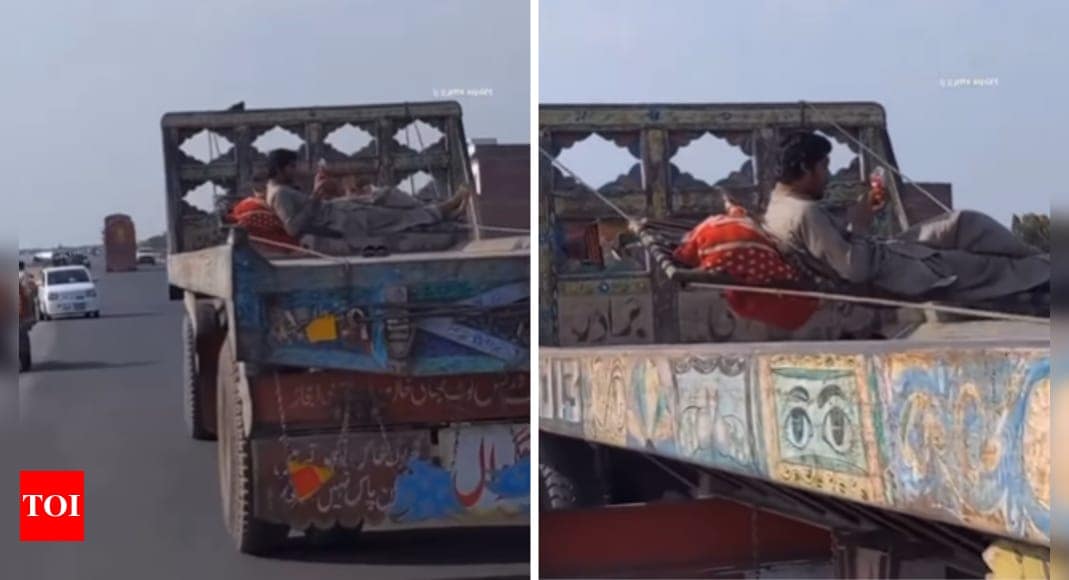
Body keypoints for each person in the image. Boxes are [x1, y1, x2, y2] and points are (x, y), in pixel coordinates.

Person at [760, 132, 1049, 303]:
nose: (828, 175)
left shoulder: (780, 204)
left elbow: (832, 246)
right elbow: (854, 271)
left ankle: (1040, 260)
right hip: (898, 272)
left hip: (888, 251)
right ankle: (1046, 268)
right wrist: (860, 224)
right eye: (823, 167)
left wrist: (859, 217)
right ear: (804, 168)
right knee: (990, 267)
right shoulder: (804, 212)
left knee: (962, 222)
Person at [264, 149, 469, 247]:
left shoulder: (281, 189)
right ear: (280, 168)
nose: (295, 170)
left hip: (339, 209)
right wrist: (316, 197)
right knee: (398, 218)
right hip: (342, 220)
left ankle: (443, 211)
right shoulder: (279, 194)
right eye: (292, 167)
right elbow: (292, 228)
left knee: (386, 195)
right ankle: (447, 208)